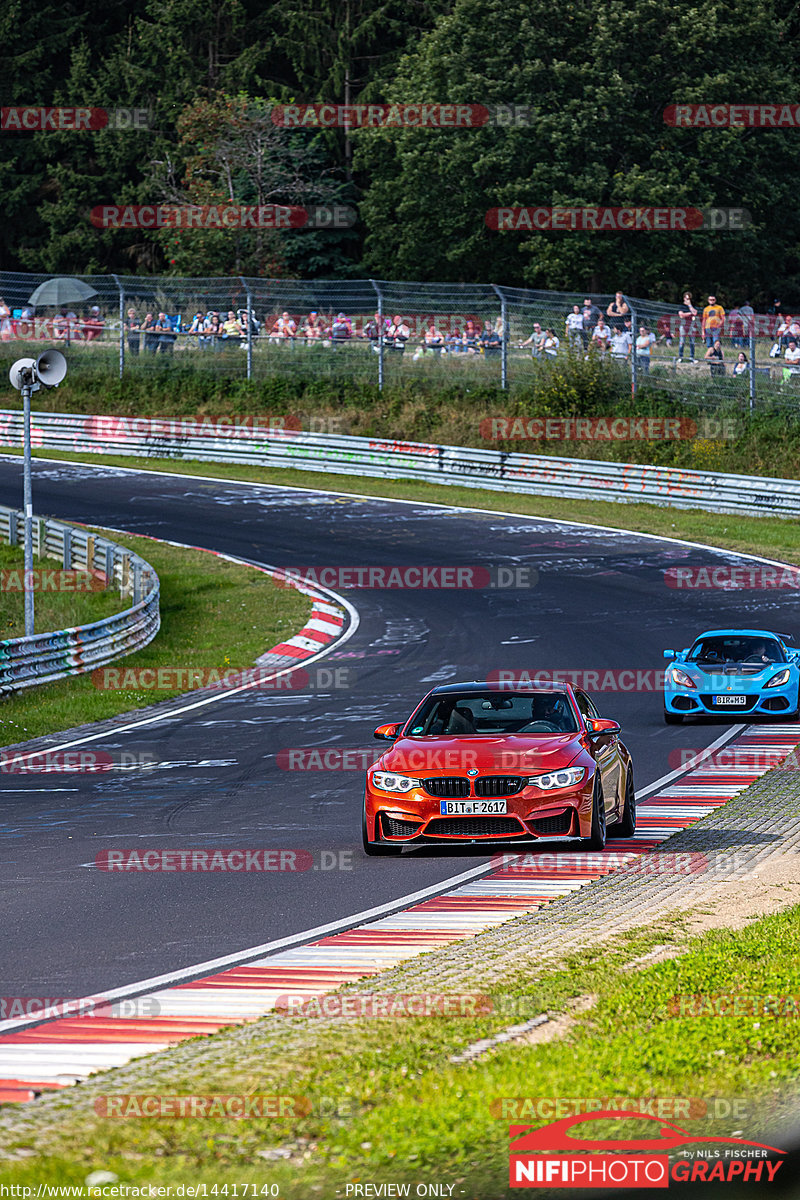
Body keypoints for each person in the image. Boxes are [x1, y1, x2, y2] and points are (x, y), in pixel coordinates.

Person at [677, 292, 697, 362]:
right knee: (682, 342)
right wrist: (690, 313)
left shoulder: (692, 306)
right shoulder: (681, 306)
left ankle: (692, 358)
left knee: (692, 342)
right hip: (683, 325)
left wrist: (690, 305)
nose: (688, 300)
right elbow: (681, 315)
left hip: (691, 325)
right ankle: (680, 357)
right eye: (686, 298)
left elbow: (695, 313)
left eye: (689, 299)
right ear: (684, 298)